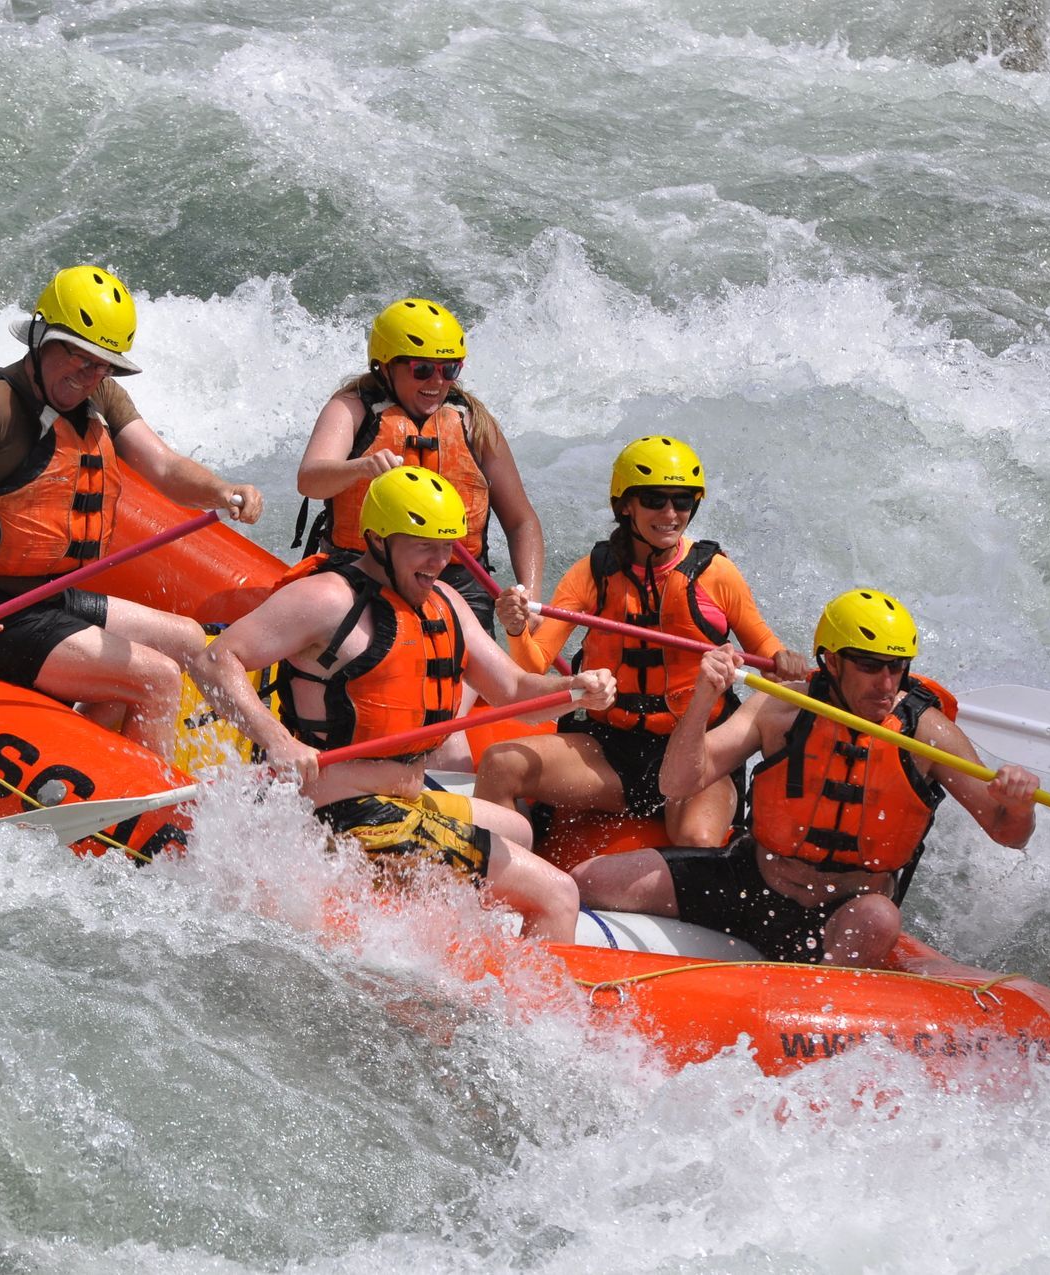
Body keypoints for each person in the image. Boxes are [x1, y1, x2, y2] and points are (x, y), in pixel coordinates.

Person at [199, 466, 615, 942]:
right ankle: (538, 1014)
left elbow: (518, 693)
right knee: (558, 893)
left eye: (447, 545)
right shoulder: (326, 599)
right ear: (378, 540)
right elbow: (214, 660)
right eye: (423, 545)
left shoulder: (447, 602)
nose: (439, 560)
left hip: (402, 799)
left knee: (517, 830)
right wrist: (275, 741)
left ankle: (446, 947)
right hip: (340, 814)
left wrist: (576, 690)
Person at [0, 265, 264, 756]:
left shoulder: (100, 394)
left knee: (186, 638)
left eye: (101, 364)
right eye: (76, 357)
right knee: (155, 678)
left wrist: (224, 491)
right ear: (40, 338)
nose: (87, 375)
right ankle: (149, 821)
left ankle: (105, 772)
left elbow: (163, 466)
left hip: (45, 600)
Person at [573, 589, 1042, 968]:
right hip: (752, 882)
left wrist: (1019, 804)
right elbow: (675, 784)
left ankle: (812, 1009)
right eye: (870, 665)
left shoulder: (929, 733)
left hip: (845, 910)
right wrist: (703, 699)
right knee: (588, 880)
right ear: (832, 662)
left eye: (897, 667)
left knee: (880, 919)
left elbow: (1007, 833)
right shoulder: (780, 707)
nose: (886, 683)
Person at [474, 435, 809, 847]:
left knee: (697, 839)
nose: (670, 514)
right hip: (610, 750)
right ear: (625, 506)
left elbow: (767, 654)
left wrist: (786, 662)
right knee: (500, 763)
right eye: (654, 500)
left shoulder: (717, 575)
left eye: (682, 501)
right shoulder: (593, 572)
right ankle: (501, 883)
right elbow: (532, 668)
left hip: (693, 752)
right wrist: (515, 629)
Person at [291, 297, 543, 632]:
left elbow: (520, 520)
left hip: (453, 582)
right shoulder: (351, 409)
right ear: (384, 367)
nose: (437, 383)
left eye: (449, 369)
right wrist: (361, 468)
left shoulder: (473, 422)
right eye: (421, 369)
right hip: (362, 571)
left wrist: (530, 595)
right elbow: (310, 480)